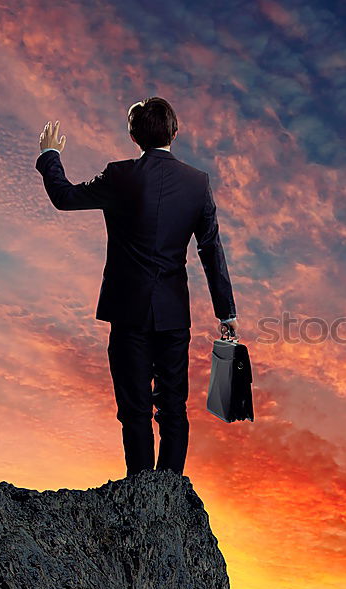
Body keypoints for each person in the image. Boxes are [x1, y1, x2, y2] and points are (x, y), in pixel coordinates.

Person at [35, 96, 238, 477]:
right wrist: (226, 312)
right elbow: (211, 250)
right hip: (174, 314)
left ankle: (141, 491)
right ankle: (170, 496)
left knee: (135, 410)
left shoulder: (119, 175)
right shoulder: (198, 183)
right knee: (174, 408)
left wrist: (50, 155)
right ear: (175, 132)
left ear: (133, 135)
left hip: (127, 313)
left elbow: (64, 197)